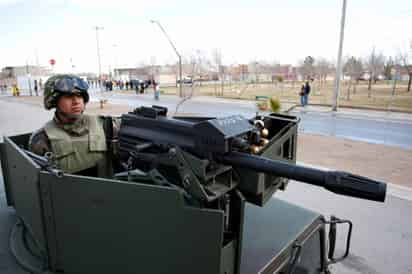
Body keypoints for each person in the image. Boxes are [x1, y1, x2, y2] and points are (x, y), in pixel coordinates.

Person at [29, 74, 117, 177]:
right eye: (68, 96)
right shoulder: (41, 139)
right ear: (54, 101)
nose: (76, 101)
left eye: (79, 96)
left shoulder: (105, 125)